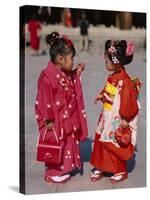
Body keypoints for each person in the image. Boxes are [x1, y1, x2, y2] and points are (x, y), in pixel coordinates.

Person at [35, 32, 88, 183]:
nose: (72, 61)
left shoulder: (63, 72)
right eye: (71, 58)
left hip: (65, 116)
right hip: (54, 118)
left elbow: (70, 79)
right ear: (60, 59)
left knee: (65, 141)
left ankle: (63, 167)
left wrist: (76, 72)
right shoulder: (47, 77)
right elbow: (44, 100)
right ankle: (52, 172)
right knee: (55, 141)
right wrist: (48, 119)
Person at [90, 40, 142, 183]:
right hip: (107, 114)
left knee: (115, 143)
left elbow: (128, 101)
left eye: (107, 61)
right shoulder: (113, 77)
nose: (105, 64)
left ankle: (120, 169)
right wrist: (102, 95)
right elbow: (108, 90)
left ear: (116, 62)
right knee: (102, 139)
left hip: (117, 116)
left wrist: (125, 119)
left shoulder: (124, 81)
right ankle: (101, 165)